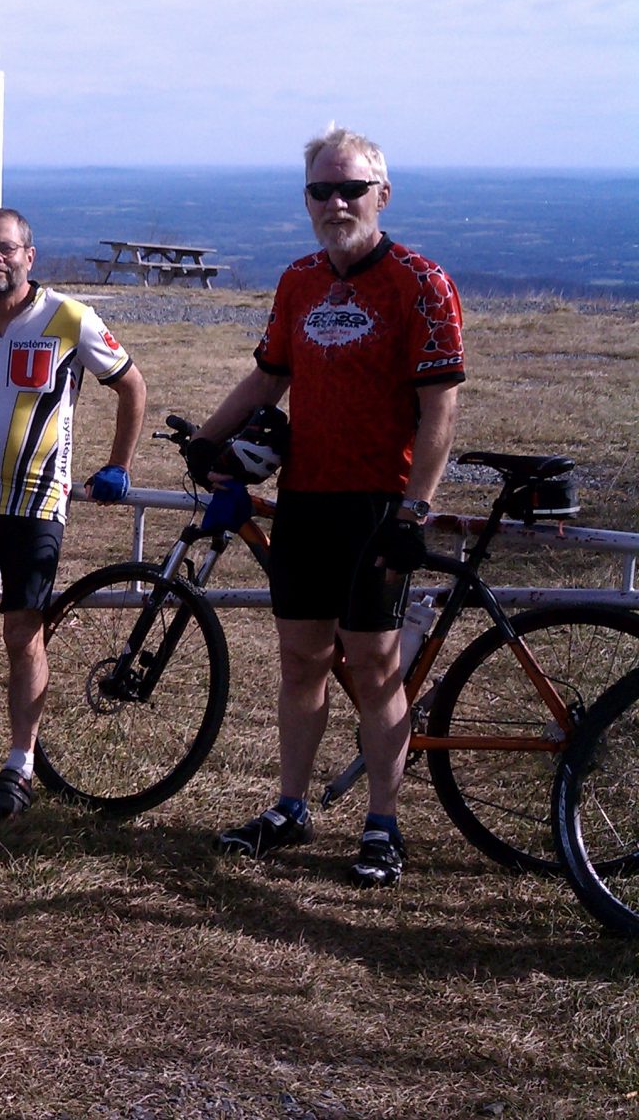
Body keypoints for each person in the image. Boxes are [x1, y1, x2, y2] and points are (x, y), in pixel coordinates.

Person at [200, 128, 465, 887]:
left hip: (379, 504)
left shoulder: (421, 281)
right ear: (307, 199)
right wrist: (208, 439)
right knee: (300, 661)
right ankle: (290, 805)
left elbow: (438, 411)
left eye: (352, 189)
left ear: (384, 193)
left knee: (376, 667)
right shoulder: (300, 280)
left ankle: (384, 822)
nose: (337, 202)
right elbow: (267, 379)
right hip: (306, 500)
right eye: (322, 190)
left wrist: (416, 512)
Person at [0, 208, 146, 819]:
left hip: (37, 499)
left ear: (29, 256)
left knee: (22, 632)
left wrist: (118, 464)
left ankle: (21, 762)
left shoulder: (69, 317)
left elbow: (131, 384)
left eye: (6, 248)